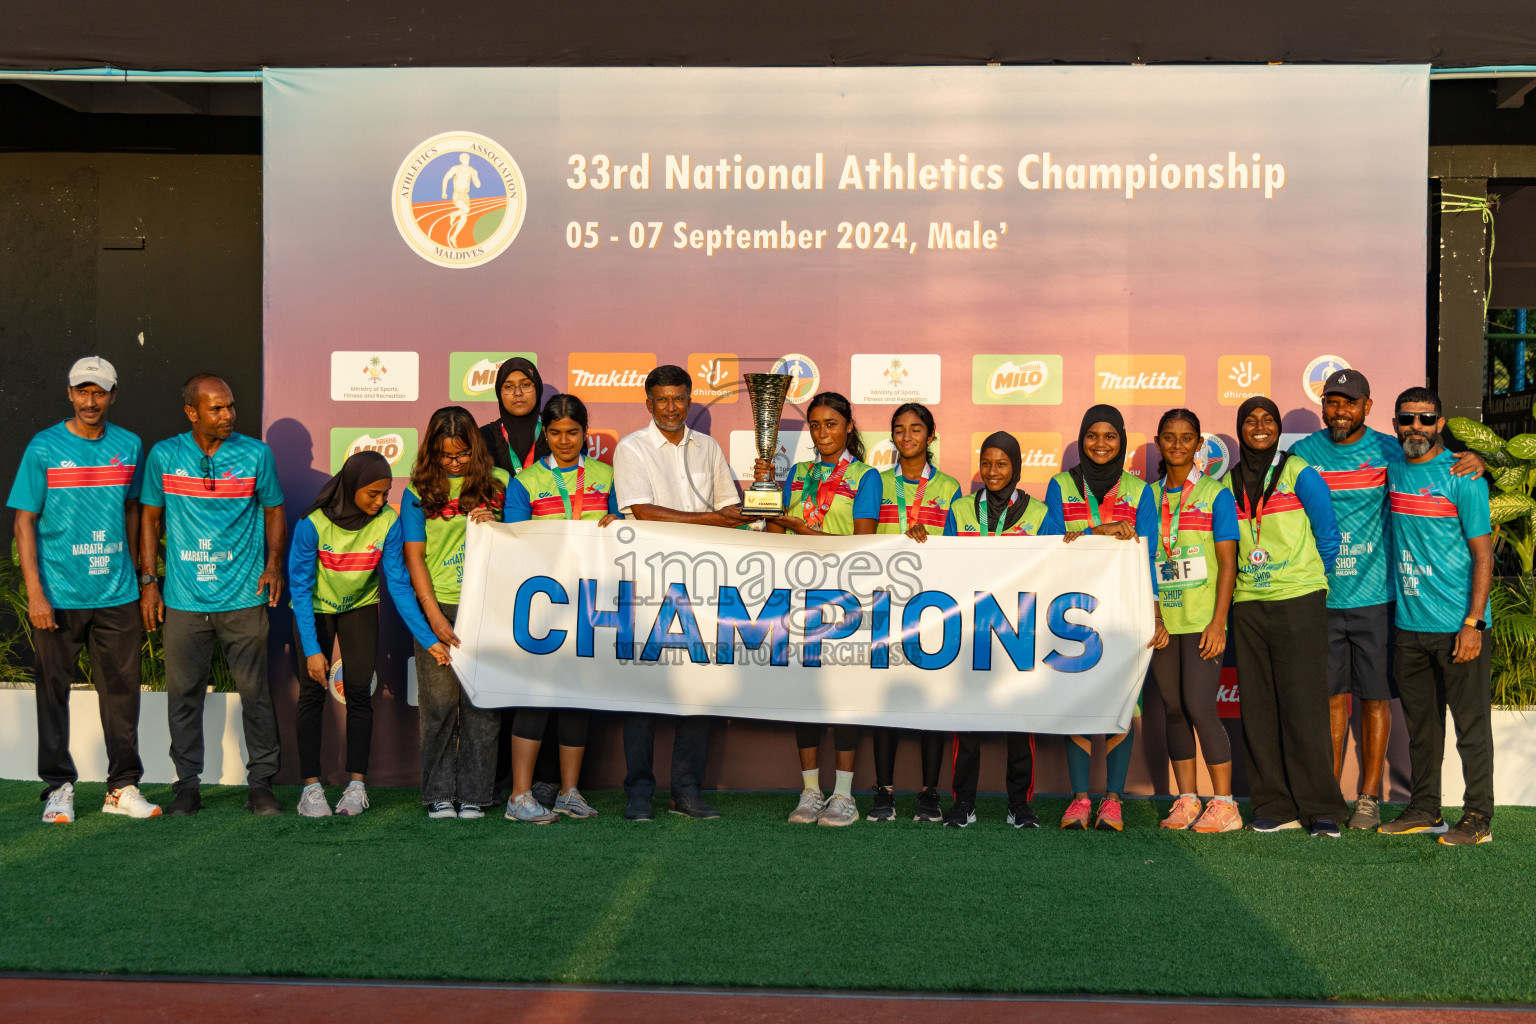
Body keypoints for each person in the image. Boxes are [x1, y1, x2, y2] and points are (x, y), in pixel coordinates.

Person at [1291, 369, 1483, 830]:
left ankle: (1369, 798)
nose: (1341, 411)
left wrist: (1477, 460)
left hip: (1377, 599)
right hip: (1320, 595)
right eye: (1333, 402)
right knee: (1333, 700)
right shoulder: (1302, 454)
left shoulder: (1389, 448)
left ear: (1368, 407)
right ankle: (1329, 797)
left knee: (1375, 699)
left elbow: (1440, 459)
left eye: (1350, 403)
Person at [8, 357, 159, 823]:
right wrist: (35, 592)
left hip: (116, 595)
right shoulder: (44, 448)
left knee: (121, 692)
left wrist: (139, 576)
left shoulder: (129, 445)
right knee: (52, 692)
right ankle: (58, 788)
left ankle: (123, 788)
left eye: (100, 392)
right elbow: (23, 521)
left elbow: (133, 510)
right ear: (70, 394)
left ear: (113, 395)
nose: (91, 401)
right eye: (82, 392)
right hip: (58, 595)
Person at [139, 374, 285, 816]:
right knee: (184, 696)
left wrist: (273, 564)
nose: (227, 415)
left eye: (230, 406)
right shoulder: (164, 455)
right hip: (184, 600)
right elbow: (149, 519)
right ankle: (187, 787)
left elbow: (275, 509)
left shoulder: (256, 453)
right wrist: (150, 582)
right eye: (216, 408)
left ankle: (261, 785)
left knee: (256, 694)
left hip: (244, 597)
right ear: (192, 413)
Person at [471, 394, 621, 824]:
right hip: (543, 605)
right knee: (534, 698)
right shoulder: (527, 481)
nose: (564, 440)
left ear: (585, 433)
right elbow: (517, 542)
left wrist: (621, 523)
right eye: (554, 432)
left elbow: (625, 537)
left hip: (591, 603)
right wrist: (491, 526)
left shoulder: (607, 476)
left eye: (572, 432)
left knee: (577, 699)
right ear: (545, 433)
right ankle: (519, 796)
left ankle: (569, 793)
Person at [611, 364, 747, 821]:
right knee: (642, 692)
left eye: (679, 399)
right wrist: (713, 521)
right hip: (649, 583)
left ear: (689, 400)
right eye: (662, 400)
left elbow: (730, 506)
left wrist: (752, 505)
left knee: (699, 687)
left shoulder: (708, 447)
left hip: (705, 583)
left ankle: (686, 789)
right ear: (648, 403)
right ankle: (639, 792)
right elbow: (642, 512)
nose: (671, 408)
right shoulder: (631, 449)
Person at [287, 451, 451, 818]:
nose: (381, 501)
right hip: (315, 608)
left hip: (360, 607)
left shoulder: (388, 522)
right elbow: (298, 589)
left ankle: (356, 787)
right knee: (312, 693)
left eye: (385, 493)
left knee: (360, 693)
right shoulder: (312, 524)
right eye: (372, 494)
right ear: (351, 486)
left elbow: (399, 584)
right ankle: (310, 789)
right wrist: (313, 650)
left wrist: (429, 639)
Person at [1224, 396, 1349, 837]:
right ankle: (1274, 804)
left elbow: (1328, 536)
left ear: (1278, 429)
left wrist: (1307, 581)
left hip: (1299, 600)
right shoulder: (1226, 484)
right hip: (1249, 605)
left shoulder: (1300, 473)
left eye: (1268, 420)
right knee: (1258, 708)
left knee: (1304, 704)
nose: (1259, 427)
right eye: (1250, 421)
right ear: (1240, 429)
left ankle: (1321, 807)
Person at [1378, 388, 1495, 845]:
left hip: (1457, 626)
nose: (1416, 428)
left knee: (1470, 728)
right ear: (1395, 423)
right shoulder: (1393, 467)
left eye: (1426, 419)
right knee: (1422, 729)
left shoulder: (1463, 476)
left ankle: (1479, 817)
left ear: (1440, 423)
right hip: (1410, 627)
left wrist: (1474, 623)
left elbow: (1484, 555)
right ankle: (1426, 808)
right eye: (1407, 419)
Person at [1042, 405, 1167, 831]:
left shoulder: (1140, 490)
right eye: (1092, 435)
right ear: (1082, 438)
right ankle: (1080, 799)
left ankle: (1112, 799)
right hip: (1069, 610)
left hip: (1123, 610)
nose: (1100, 443)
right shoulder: (1060, 485)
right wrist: (1102, 531)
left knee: (1121, 700)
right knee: (1076, 699)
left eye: (1110, 436)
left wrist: (1154, 614)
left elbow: (1148, 557)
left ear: (1122, 441)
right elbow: (1050, 543)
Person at [762, 391, 882, 827]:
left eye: (831, 423)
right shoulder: (797, 472)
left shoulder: (867, 477)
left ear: (849, 426)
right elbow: (774, 535)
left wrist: (804, 528)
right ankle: (811, 790)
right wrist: (770, 497)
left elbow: (862, 544)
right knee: (805, 696)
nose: (822, 432)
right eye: (815, 425)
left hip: (846, 599)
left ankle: (844, 795)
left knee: (844, 697)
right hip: (799, 596)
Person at [401, 406, 508, 820]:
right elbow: (414, 556)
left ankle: (477, 795)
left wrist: (496, 522)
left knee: (483, 706)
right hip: (439, 603)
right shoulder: (418, 490)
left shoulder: (499, 484)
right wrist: (433, 616)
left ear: (475, 450)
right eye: (447, 456)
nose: (455, 463)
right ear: (433, 451)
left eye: (463, 455)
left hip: (488, 604)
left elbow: (521, 543)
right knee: (440, 705)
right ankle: (439, 793)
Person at [941, 431, 1050, 829]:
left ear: (1016, 467)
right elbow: (945, 562)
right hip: (972, 629)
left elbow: (1063, 558)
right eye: (986, 463)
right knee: (966, 721)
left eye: (1001, 463)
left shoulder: (1039, 512)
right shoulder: (961, 508)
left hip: (1021, 629)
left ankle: (1018, 805)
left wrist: (1096, 537)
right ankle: (964, 803)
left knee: (1020, 723)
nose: (992, 471)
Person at [1147, 409, 1242, 833]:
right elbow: (1140, 557)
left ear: (1199, 443)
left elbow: (1227, 562)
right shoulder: (1147, 496)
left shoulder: (1214, 494)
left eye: (1187, 438)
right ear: (1158, 442)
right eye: (1169, 437)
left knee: (1200, 707)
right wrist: (1152, 616)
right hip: (1164, 620)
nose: (1178, 445)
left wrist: (1219, 622)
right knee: (1172, 709)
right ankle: (1187, 799)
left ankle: (1225, 804)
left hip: (1203, 619)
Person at [868, 403, 961, 823]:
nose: (908, 437)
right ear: (892, 437)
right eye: (900, 430)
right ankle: (883, 791)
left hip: (933, 607)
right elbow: (863, 542)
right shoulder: (876, 481)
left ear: (930, 435)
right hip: (885, 603)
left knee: (933, 700)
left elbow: (958, 548)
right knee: (883, 701)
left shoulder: (949, 487)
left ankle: (929, 792)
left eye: (916, 429)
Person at [477, 356, 561, 808]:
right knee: (506, 673)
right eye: (508, 386)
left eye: (525, 384)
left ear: (538, 388)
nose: (517, 393)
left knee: (548, 674)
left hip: (551, 569)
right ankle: (500, 778)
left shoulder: (556, 433)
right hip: (501, 568)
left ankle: (546, 779)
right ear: (498, 393)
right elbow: (469, 486)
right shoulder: (485, 438)